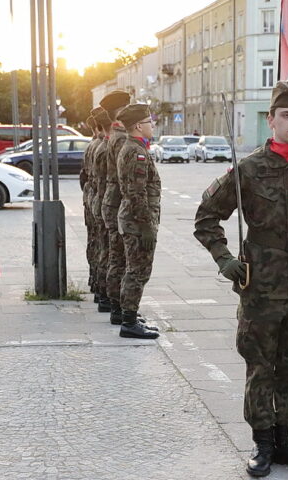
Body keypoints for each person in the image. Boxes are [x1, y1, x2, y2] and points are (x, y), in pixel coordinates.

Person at [194, 81, 288, 478]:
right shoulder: (249, 169)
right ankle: (262, 443)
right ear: (271, 121)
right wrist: (225, 260)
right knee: (261, 365)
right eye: (287, 115)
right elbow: (206, 218)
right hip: (260, 284)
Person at [115, 103, 161, 339]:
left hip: (133, 220)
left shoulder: (134, 148)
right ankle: (129, 322)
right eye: (149, 122)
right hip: (136, 221)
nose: (152, 126)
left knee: (135, 269)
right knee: (138, 270)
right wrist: (146, 227)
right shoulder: (136, 152)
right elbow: (136, 193)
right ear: (138, 126)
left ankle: (130, 315)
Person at [97, 90, 133, 327]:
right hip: (118, 200)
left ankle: (115, 305)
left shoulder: (116, 136)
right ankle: (119, 308)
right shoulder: (120, 138)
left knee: (115, 255)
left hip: (111, 199)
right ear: (121, 111)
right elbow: (124, 177)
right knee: (119, 258)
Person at [88, 107, 114, 314]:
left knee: (99, 246)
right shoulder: (105, 148)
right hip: (105, 203)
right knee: (107, 251)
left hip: (98, 201)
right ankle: (107, 296)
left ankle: (99, 288)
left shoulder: (96, 145)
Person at [80, 109, 104, 306]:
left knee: (96, 244)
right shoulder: (101, 146)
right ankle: (104, 291)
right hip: (101, 201)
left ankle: (96, 282)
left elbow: (84, 176)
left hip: (92, 199)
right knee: (104, 248)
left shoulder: (92, 145)